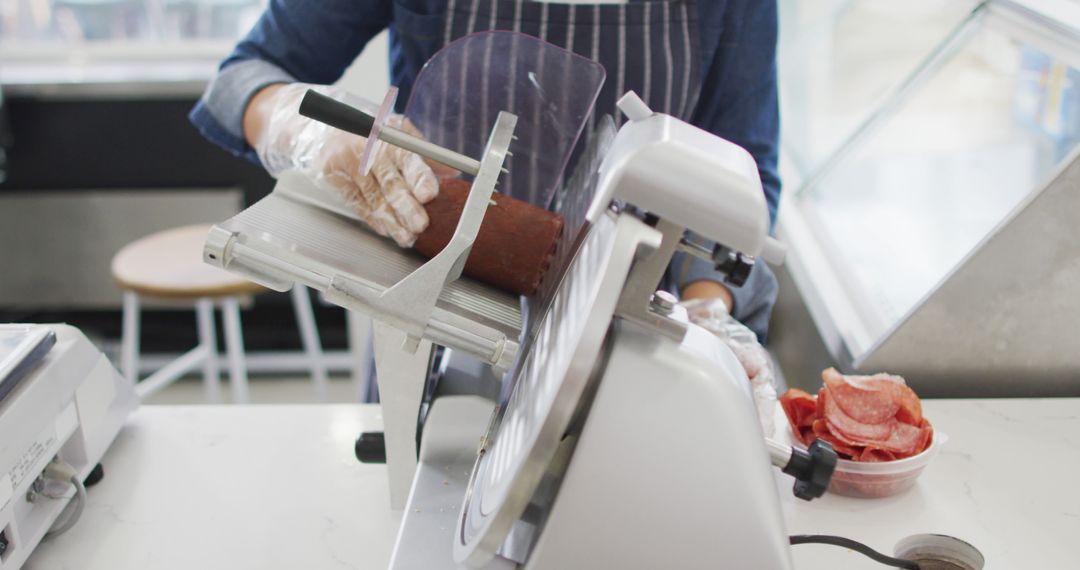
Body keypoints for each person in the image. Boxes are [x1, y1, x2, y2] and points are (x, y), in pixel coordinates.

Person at [189, 0, 782, 390]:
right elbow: (240, 78)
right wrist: (300, 126)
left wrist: (707, 311)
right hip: (430, 330)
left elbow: (741, 168)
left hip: (627, 348)